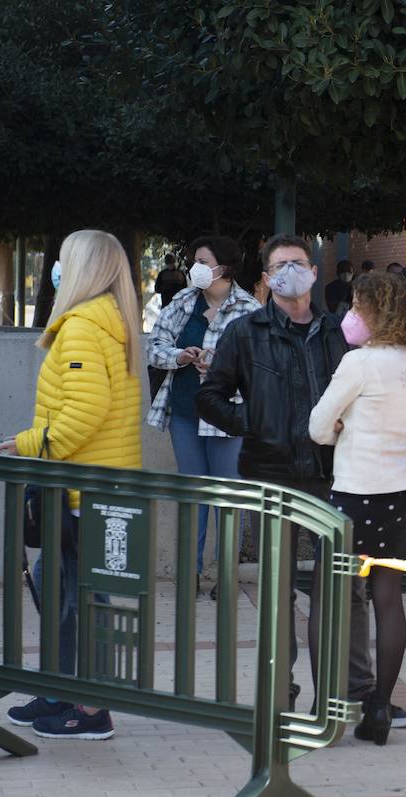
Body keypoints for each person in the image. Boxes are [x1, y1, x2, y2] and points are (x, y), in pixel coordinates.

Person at [196, 235, 406, 728]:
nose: (289, 272)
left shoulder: (342, 331)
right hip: (270, 475)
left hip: (338, 477)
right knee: (277, 592)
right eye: (279, 266)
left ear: (314, 272)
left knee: (346, 590)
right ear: (266, 278)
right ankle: (280, 693)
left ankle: (354, 693)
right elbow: (209, 397)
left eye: (298, 263)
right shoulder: (245, 332)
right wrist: (253, 420)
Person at [0, 229, 144, 740]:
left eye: (63, 260)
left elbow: (85, 409)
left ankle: (91, 709)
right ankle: (62, 690)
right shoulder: (110, 323)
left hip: (87, 491)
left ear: (81, 268)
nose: (56, 270)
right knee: (61, 588)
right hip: (96, 489)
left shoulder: (83, 326)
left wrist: (30, 443)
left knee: (83, 598)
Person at [309, 272, 406, 746]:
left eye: (358, 307)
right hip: (405, 489)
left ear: (375, 312)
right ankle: (379, 705)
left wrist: (341, 427)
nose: (351, 315)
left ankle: (324, 710)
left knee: (329, 598)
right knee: (388, 597)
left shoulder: (359, 362)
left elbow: (318, 427)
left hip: (357, 489)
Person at [146, 236, 260, 585]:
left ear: (224, 267)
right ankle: (190, 573)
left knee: (228, 497)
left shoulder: (249, 308)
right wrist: (179, 356)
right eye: (194, 261)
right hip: (184, 412)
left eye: (202, 261)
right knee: (192, 494)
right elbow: (155, 346)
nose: (195, 268)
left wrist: (222, 367)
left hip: (227, 416)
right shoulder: (183, 300)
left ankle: (225, 574)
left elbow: (262, 364)